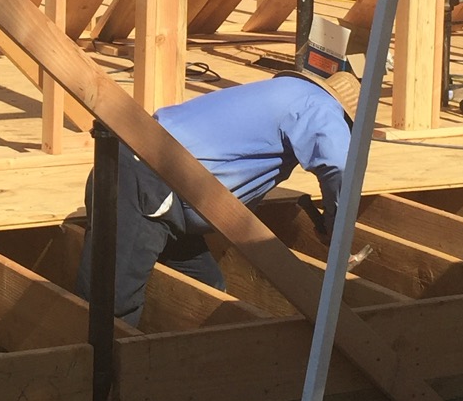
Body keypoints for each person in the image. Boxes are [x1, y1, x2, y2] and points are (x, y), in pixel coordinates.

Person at [76, 19, 354, 326]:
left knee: (209, 293)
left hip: (161, 189)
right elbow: (338, 165)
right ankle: (94, 373)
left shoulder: (286, 91)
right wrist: (338, 228)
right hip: (150, 185)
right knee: (109, 311)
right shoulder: (321, 107)